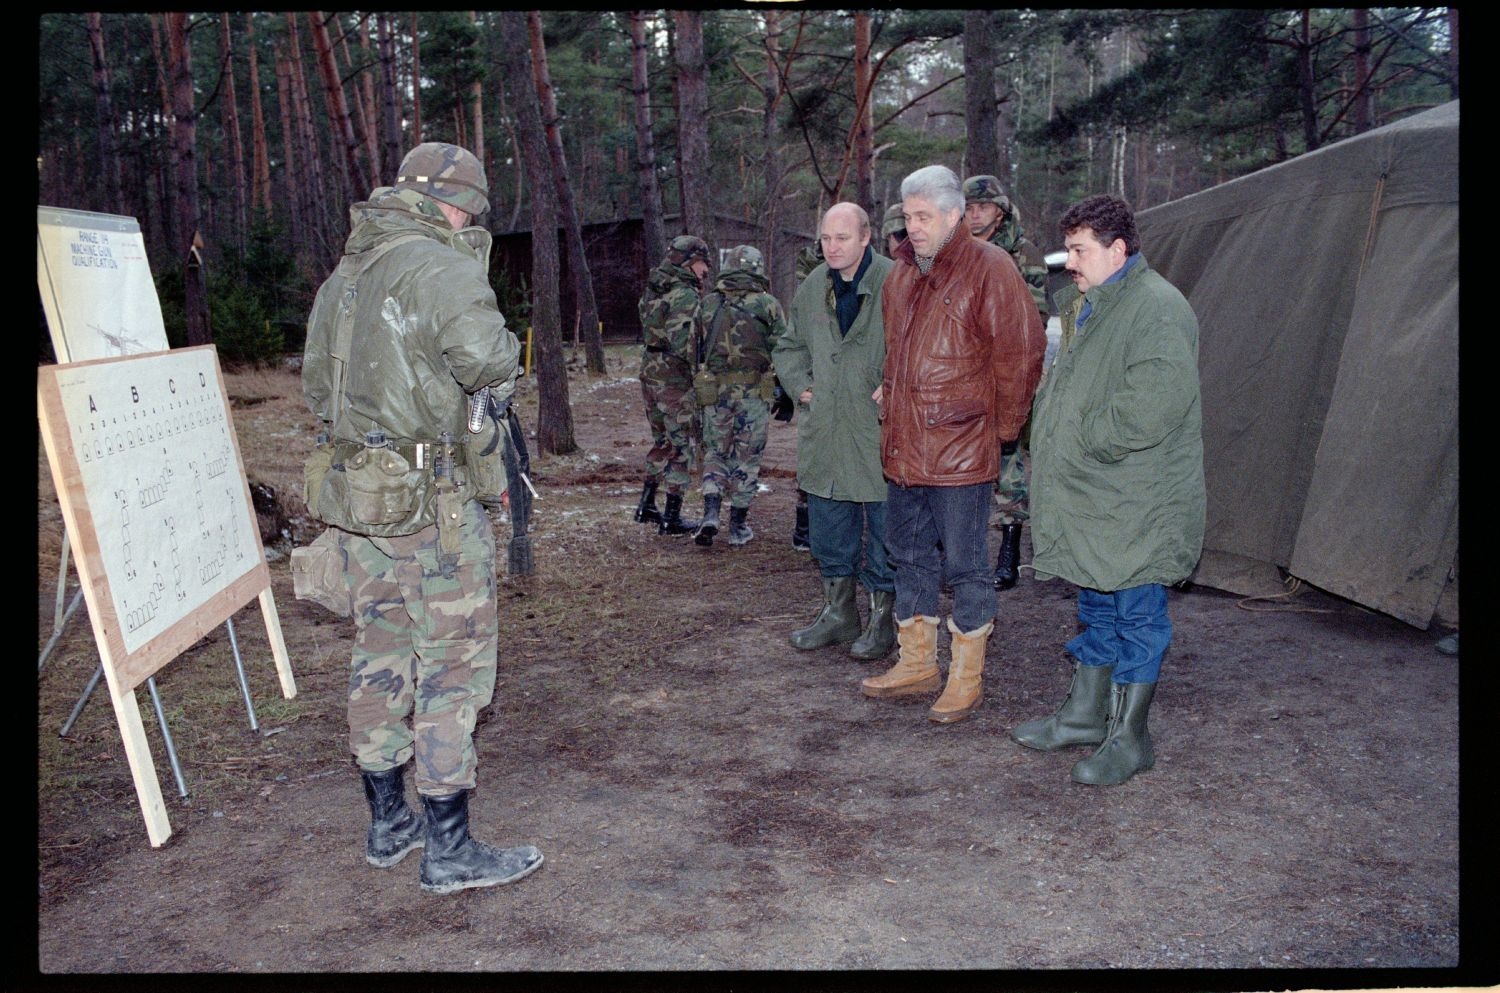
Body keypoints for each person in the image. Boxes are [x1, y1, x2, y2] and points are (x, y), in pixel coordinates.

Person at [301, 142, 543, 894]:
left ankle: (388, 823)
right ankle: (450, 849)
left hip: (359, 506)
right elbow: (489, 362)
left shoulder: (343, 276)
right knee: (453, 665)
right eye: (471, 212)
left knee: (378, 650)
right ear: (456, 206)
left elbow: (315, 389)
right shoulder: (443, 267)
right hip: (430, 509)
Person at [1013, 194, 1204, 786]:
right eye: (1068, 249)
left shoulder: (1157, 308)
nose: (1070, 262)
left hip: (1136, 496)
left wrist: (1086, 437)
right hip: (1095, 492)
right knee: (1096, 600)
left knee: (1137, 613)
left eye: (1080, 250)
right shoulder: (1087, 304)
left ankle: (1131, 737)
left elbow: (1153, 405)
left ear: (1118, 250)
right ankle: (1084, 716)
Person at [862, 164, 1044, 723]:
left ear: (954, 215)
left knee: (966, 566)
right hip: (905, 445)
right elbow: (898, 355)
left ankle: (967, 677)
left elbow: (1020, 355)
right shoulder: (900, 275)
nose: (913, 226)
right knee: (908, 554)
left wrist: (1001, 431)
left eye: (924, 217)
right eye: (908, 216)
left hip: (962, 449)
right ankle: (917, 663)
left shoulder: (991, 268)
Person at [774, 203, 897, 662]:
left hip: (877, 430)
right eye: (826, 238)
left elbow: (920, 342)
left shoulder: (895, 281)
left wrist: (896, 381)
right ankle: (839, 613)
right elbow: (788, 346)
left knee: (886, 530)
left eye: (842, 237)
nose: (832, 247)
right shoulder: (812, 286)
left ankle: (883, 618)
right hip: (825, 430)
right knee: (829, 529)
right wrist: (802, 386)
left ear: (866, 237)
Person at [962, 174, 1050, 592]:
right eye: (969, 207)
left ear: (1000, 210)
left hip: (1004, 371)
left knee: (1008, 462)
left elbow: (1032, 318)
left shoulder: (1021, 253)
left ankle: (1010, 551)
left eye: (983, 206)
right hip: (960, 371)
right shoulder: (953, 248)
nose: (975, 213)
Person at [691, 245, 788, 546]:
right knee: (747, 458)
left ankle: (710, 513)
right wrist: (782, 390)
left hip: (715, 393)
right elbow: (784, 351)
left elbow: (693, 350)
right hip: (753, 393)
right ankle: (737, 526)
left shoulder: (707, 304)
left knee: (715, 453)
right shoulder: (768, 305)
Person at [636, 235, 712, 535]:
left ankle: (646, 505)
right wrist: (701, 375)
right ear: (692, 262)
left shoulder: (656, 287)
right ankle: (672, 516)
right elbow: (684, 343)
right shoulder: (684, 294)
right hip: (672, 377)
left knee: (663, 441)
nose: (706, 270)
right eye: (703, 264)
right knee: (680, 445)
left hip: (650, 369)